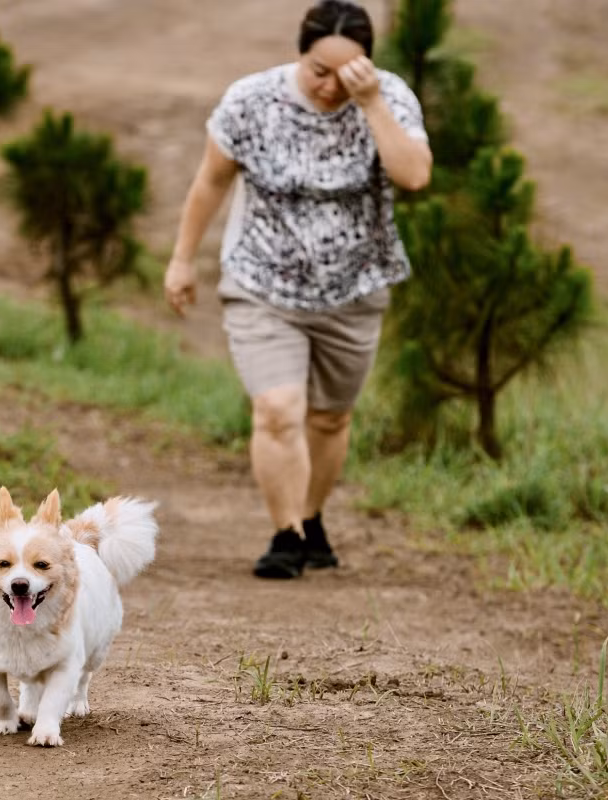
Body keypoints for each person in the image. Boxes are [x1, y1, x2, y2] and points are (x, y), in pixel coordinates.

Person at [164, 0, 431, 579]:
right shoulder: (251, 101)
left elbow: (414, 175)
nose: (330, 85)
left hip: (354, 289)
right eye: (319, 70)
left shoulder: (388, 98)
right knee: (278, 410)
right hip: (262, 284)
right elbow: (210, 181)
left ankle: (310, 518)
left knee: (331, 419)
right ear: (300, 54)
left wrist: (373, 102)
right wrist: (182, 260)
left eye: (347, 72)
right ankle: (285, 535)